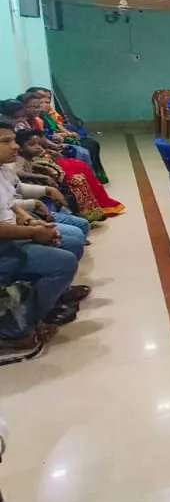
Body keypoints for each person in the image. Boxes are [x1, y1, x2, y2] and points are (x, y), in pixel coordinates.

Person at [0, 122, 83, 347]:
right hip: (4, 246)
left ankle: (48, 303)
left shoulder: (3, 169)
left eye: (13, 140)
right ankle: (15, 331)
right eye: (5, 141)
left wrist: (30, 220)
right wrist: (33, 233)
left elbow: (9, 205)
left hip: (13, 233)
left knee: (73, 241)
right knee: (63, 263)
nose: (14, 146)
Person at [16, 130, 105, 222]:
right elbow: (19, 172)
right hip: (31, 192)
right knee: (73, 184)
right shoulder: (20, 159)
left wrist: (42, 168)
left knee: (78, 179)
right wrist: (43, 177)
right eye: (32, 145)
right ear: (20, 148)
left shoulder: (28, 159)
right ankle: (74, 215)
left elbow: (31, 165)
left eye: (39, 144)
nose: (38, 147)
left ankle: (87, 213)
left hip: (40, 183)